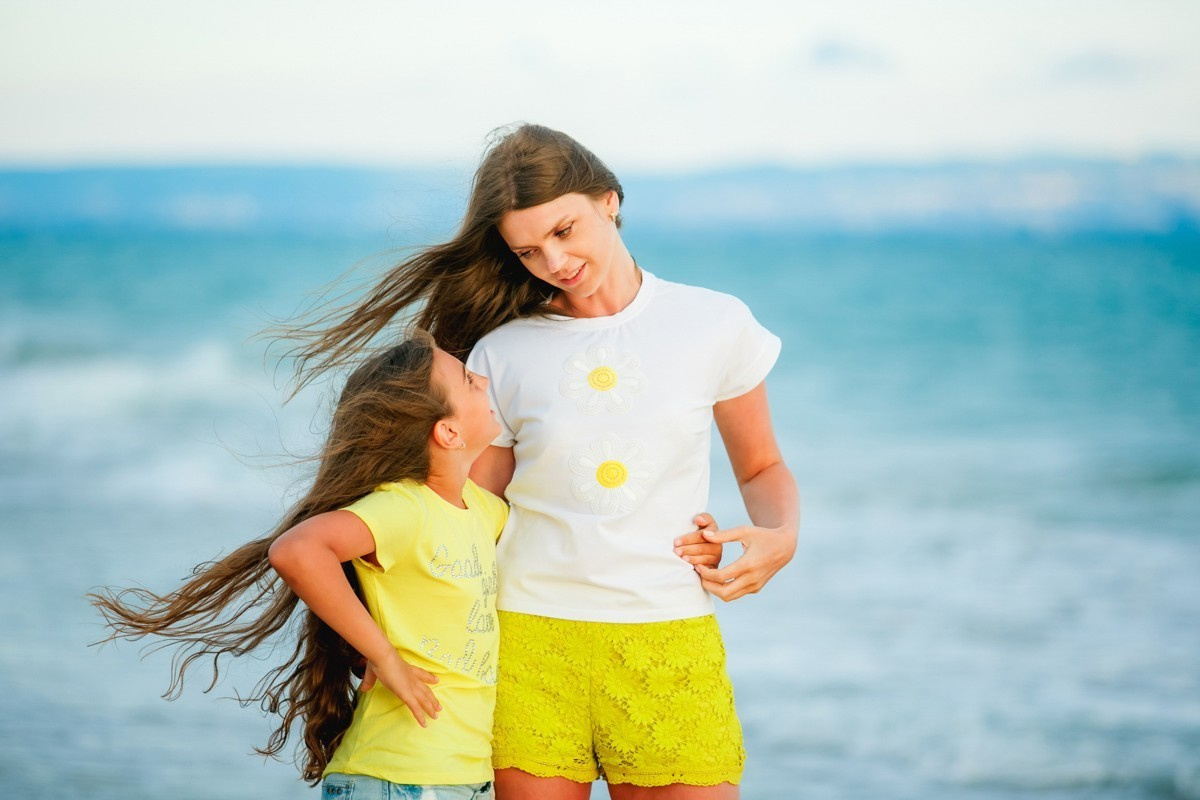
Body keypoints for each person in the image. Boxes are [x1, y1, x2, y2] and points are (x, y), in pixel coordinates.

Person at [282, 124, 799, 800]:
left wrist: (780, 538)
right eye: (528, 250)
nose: (555, 261)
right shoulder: (504, 353)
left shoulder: (715, 323)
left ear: (608, 200)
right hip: (528, 644)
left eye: (566, 230)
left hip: (669, 637)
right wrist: (381, 635)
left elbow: (761, 469)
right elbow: (466, 514)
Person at [91, 332, 512, 798]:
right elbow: (297, 550)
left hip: (463, 779)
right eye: (471, 380)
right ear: (447, 431)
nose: (485, 380)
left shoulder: (484, 510)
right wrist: (383, 654)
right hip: (399, 778)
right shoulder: (404, 509)